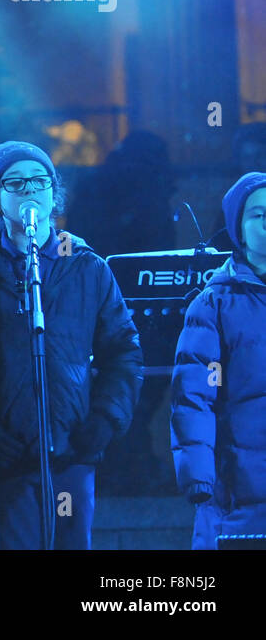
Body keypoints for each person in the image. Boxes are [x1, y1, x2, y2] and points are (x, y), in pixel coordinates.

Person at [0, 140, 141, 549]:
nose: (29, 189)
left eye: (39, 180)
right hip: (6, 461)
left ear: (54, 192)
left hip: (73, 453)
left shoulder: (87, 268)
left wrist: (104, 420)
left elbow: (123, 352)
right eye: (14, 182)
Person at [171, 172, 266, 549]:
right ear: (238, 228)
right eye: (258, 214)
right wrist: (198, 476)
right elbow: (193, 397)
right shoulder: (213, 304)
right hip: (236, 492)